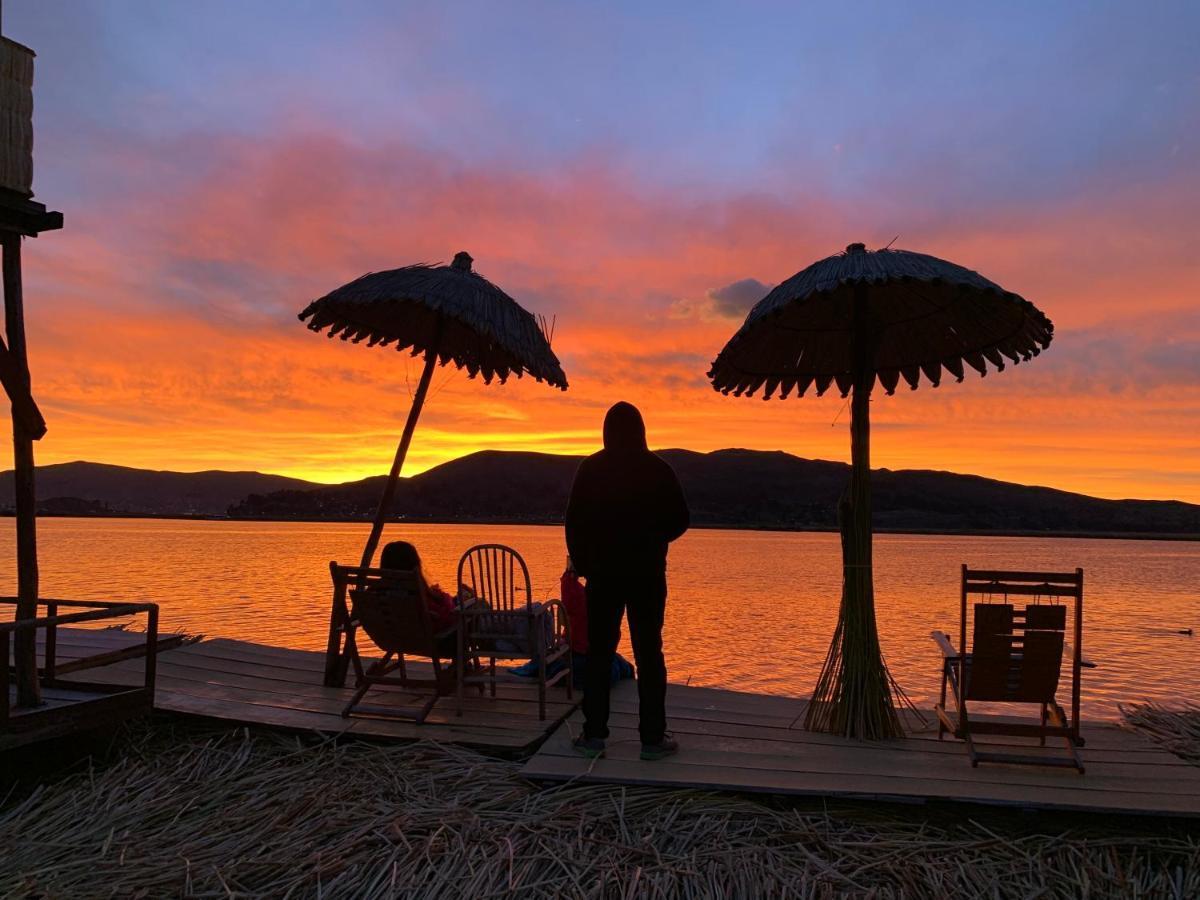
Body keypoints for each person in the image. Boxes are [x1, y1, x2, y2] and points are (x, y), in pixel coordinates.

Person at [565, 401, 690, 760]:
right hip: (647, 576)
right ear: (641, 430)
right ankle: (651, 740)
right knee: (650, 655)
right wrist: (653, 539)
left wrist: (586, 563)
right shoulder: (658, 469)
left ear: (606, 431)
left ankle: (593, 736)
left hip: (603, 576)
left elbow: (573, 523)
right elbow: (681, 519)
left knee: (599, 655)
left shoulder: (590, 468)